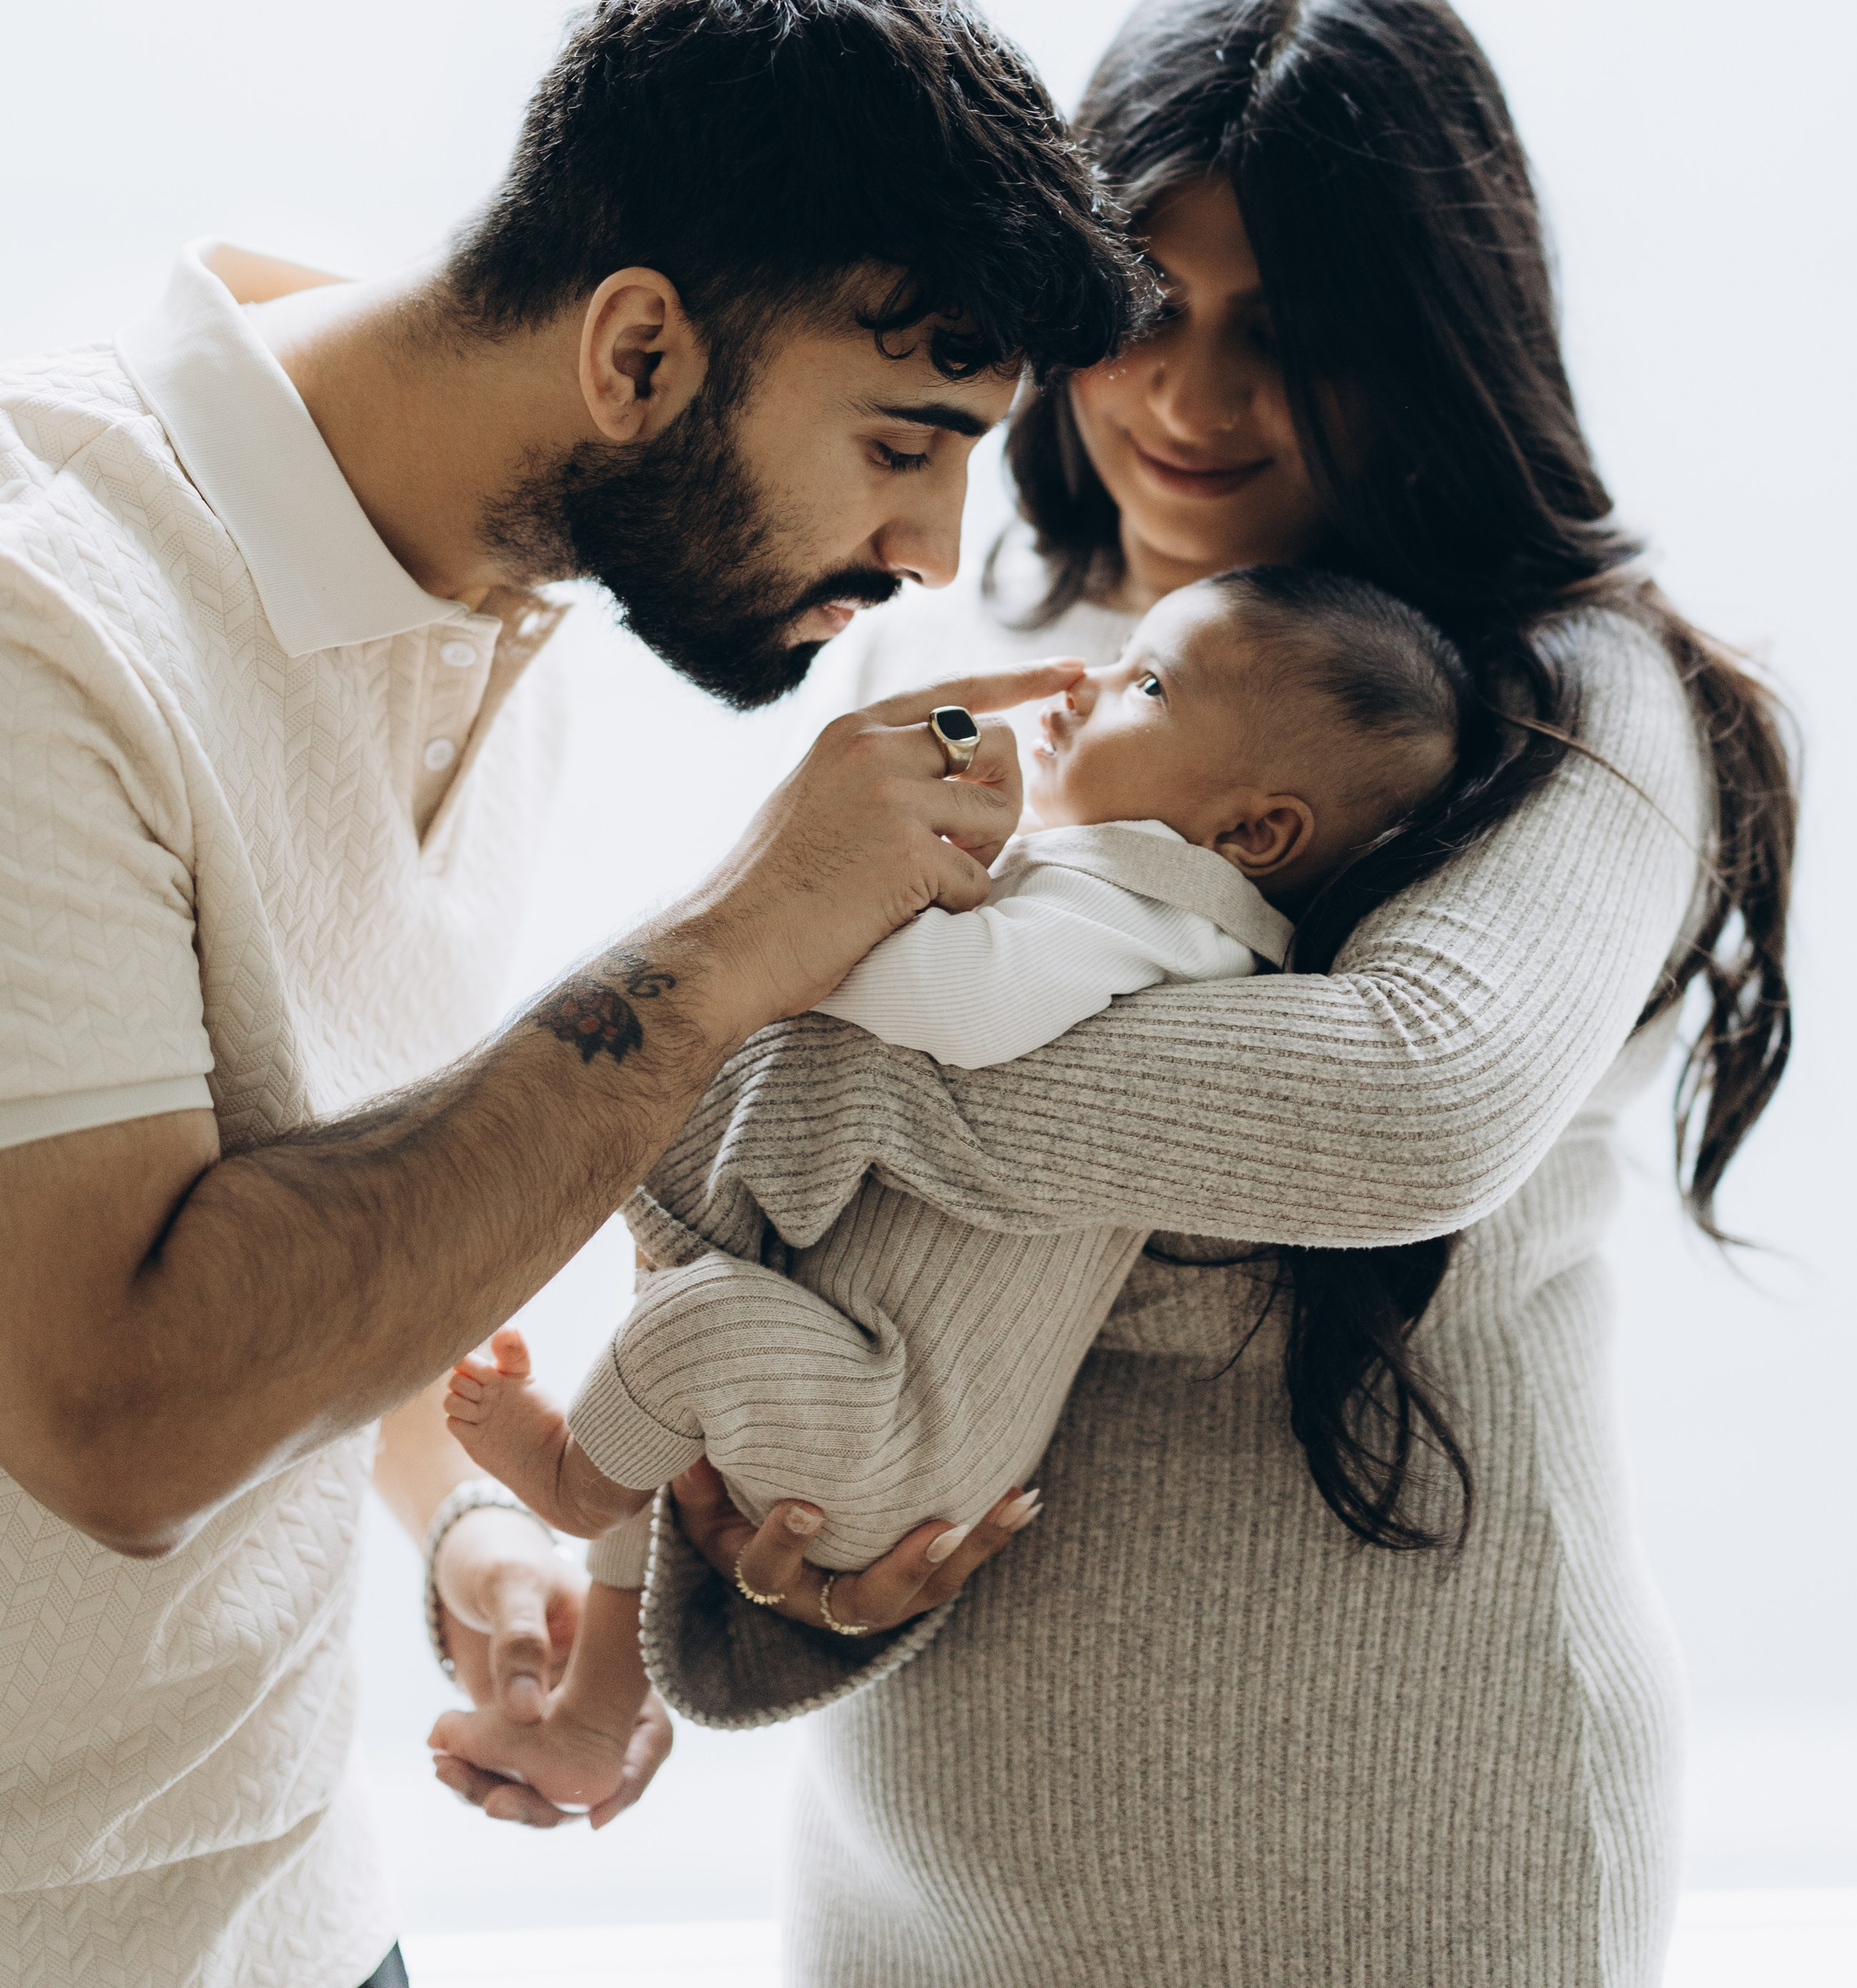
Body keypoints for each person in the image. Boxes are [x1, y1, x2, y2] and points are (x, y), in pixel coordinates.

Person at [456, 0, 1797, 1988]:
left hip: (1413, 1889)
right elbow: (748, 1237)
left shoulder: (1557, 704)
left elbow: (1400, 1110)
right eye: (1155, 311)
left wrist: (849, 1069)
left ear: (1434, 339)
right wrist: (708, 1611)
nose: (1192, 400)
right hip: (906, 1898)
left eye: (1295, 333)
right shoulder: (935, 654)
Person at [0, 0, 1145, 1988]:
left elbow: (319, 1204)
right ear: (633, 355)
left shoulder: (498, 595)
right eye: (902, 444)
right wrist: (729, 947)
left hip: (295, 1908)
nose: (927, 552)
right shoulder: (47, 618)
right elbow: (122, 1419)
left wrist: (477, 1523)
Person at [425, 564, 1467, 1812]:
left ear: (1253, 834)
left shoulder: (1157, 906)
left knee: (689, 1331)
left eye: (1145, 684)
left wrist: (831, 897)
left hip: (894, 1418)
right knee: (681, 1340)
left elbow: (957, 1001)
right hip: (877, 1395)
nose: (1085, 683)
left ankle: (572, 1483)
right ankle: (592, 1720)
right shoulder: (1128, 897)